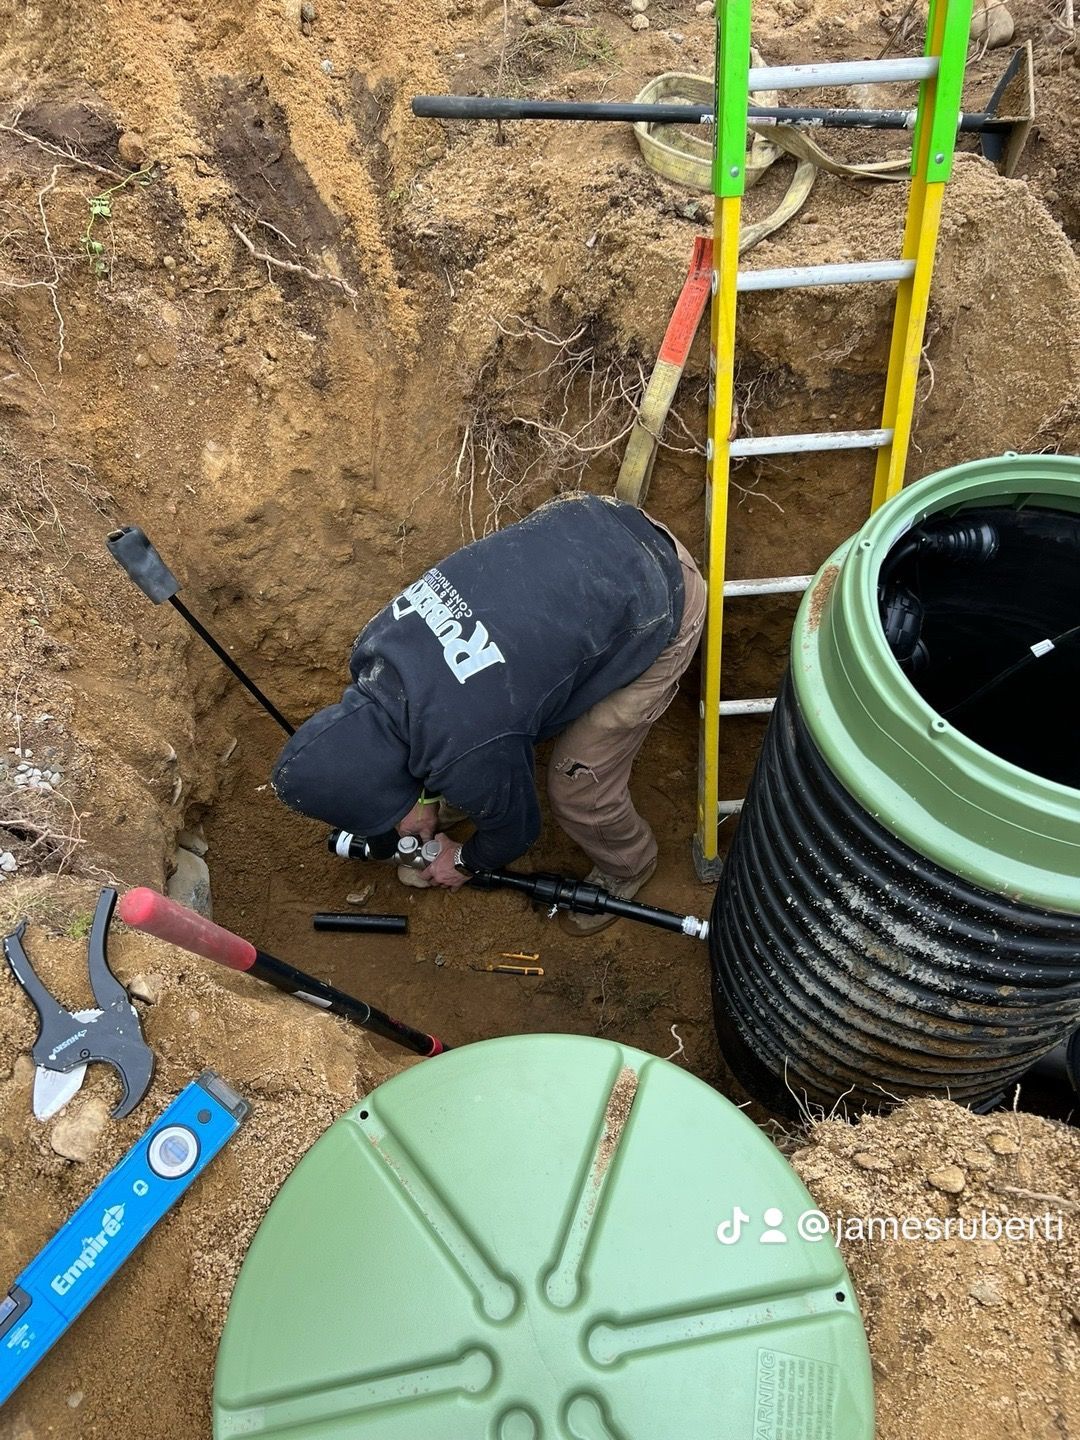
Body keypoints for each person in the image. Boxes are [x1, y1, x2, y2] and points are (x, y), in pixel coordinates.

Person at [272, 492, 706, 934]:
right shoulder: (373, 648)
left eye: (393, 816)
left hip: (662, 597)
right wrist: (424, 803)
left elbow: (517, 833)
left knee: (578, 784)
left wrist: (462, 861)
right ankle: (465, 792)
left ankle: (629, 864)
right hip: (589, 521)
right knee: (489, 736)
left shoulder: (466, 747)